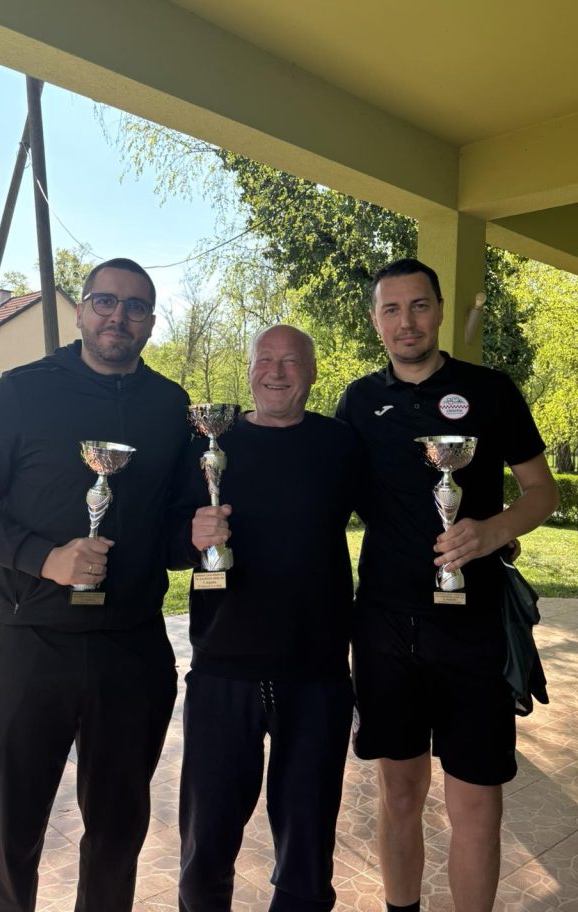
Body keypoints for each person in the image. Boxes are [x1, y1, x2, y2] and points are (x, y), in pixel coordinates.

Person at [0, 258, 191, 912]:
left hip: (132, 650)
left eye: (135, 306)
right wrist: (43, 558)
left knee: (117, 838)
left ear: (150, 323)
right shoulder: (24, 391)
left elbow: (171, 537)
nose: (118, 316)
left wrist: (201, 535)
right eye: (105, 300)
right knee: (8, 837)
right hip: (28, 646)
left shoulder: (170, 406)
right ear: (81, 311)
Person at [335, 258, 559, 912]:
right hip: (384, 625)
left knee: (477, 801)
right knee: (400, 791)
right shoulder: (357, 402)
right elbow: (328, 496)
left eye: (419, 305)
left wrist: (493, 532)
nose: (406, 321)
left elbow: (542, 490)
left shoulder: (490, 391)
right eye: (391, 309)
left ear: (437, 310)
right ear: (376, 321)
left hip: (472, 626)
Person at [172, 325, 364, 912]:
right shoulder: (209, 440)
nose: (276, 372)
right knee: (206, 845)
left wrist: (484, 540)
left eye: (291, 361)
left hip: (317, 672)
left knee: (307, 851)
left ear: (313, 371)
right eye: (265, 359)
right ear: (249, 367)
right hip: (222, 667)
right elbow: (165, 535)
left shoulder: (340, 444)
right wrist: (189, 536)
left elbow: (397, 515)